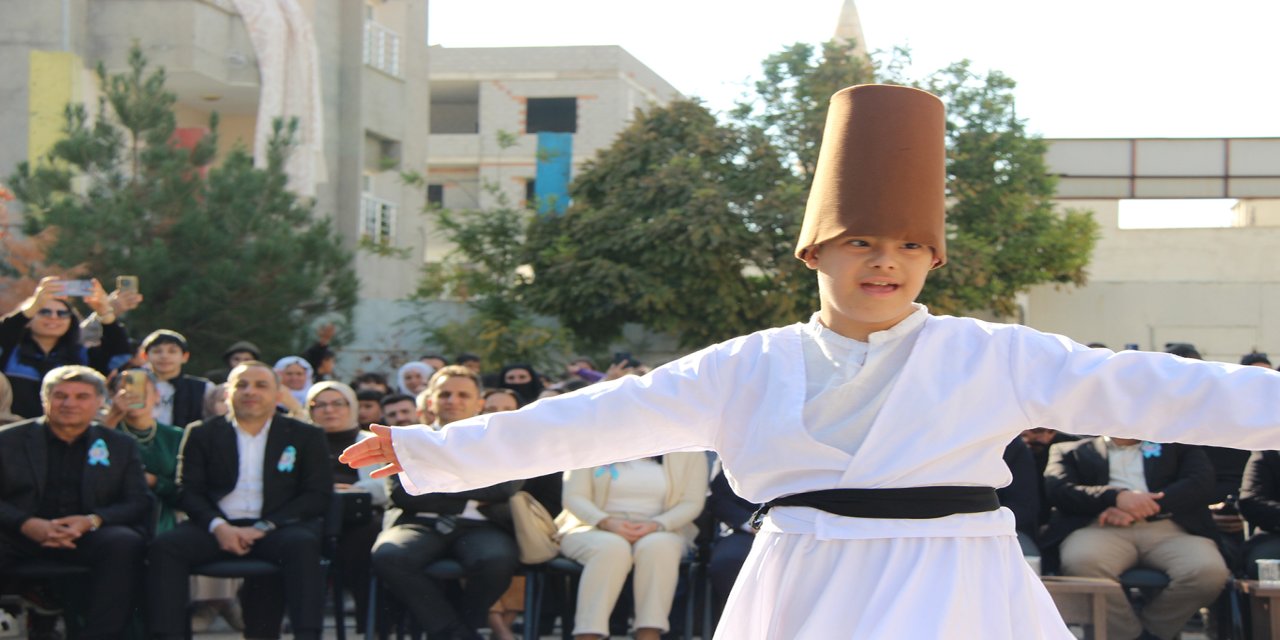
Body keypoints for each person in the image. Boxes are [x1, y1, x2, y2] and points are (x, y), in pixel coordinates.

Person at [342, 84, 1280, 638]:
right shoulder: (744, 365)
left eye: (907, 247)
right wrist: (428, 451)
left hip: (954, 581)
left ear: (931, 259)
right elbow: (595, 418)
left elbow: (1161, 388)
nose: (884, 262)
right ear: (816, 252)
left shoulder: (990, 353)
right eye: (861, 241)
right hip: (803, 579)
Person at [146, 361, 333, 640]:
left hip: (277, 528)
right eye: (241, 385)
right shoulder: (201, 433)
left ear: (278, 394)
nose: (250, 392)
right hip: (216, 527)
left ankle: (307, 634)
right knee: (166, 547)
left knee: (303, 545)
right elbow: (188, 491)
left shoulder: (306, 435)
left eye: (260, 385)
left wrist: (265, 527)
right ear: (227, 393)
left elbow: (317, 494)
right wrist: (219, 526)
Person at [371, 366, 520, 640]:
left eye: (463, 395)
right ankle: (456, 634)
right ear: (430, 401)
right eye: (445, 394)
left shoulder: (499, 442)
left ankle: (459, 628)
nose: (453, 401)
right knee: (389, 556)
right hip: (417, 524)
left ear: (479, 403)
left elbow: (503, 489)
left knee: (497, 560)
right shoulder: (407, 439)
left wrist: (432, 483)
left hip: (481, 527)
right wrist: (471, 484)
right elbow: (402, 494)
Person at [0, 365, 150, 639]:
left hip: (86, 535)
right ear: (45, 400)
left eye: (81, 397)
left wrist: (92, 521)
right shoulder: (7, 441)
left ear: (100, 402)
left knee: (124, 543)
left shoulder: (120, 445)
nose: (69, 404)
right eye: (60, 396)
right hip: (17, 535)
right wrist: (26, 523)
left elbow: (138, 501)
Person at [1044, 437, 1228, 639]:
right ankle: (1128, 635)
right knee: (1082, 563)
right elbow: (1059, 489)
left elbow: (1200, 482)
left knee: (1208, 572)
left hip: (1170, 527)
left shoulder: (1178, 446)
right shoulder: (1069, 450)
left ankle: (1154, 631)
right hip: (1099, 526)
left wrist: (1146, 506)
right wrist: (1115, 498)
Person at [559, 453, 708, 640]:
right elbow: (574, 496)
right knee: (611, 548)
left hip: (662, 529)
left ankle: (649, 633)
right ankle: (587, 634)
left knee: (659, 547)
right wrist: (606, 522)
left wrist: (657, 524)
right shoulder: (591, 441)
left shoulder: (690, 450)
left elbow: (692, 502)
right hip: (592, 527)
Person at [306, 380, 386, 633]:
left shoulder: (372, 441)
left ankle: (371, 625)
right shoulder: (300, 442)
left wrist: (356, 490)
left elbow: (388, 486)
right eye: (320, 405)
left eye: (337, 403)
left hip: (362, 516)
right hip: (311, 517)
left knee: (368, 541)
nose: (329, 410)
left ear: (351, 406)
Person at [1, 277, 132, 418]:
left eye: (62, 313)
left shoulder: (81, 356)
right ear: (29, 318)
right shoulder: (10, 351)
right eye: (44, 311)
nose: (53, 317)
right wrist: (33, 306)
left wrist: (105, 311)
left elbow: (118, 354)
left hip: (69, 430)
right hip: (14, 429)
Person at [100, 367, 185, 533]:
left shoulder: (176, 436)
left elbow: (185, 492)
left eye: (141, 390)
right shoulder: (103, 430)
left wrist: (154, 481)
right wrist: (111, 419)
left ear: (157, 395)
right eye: (126, 391)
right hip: (113, 520)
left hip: (162, 523)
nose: (134, 396)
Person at [140, 329, 213, 428]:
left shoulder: (204, 388)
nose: (164, 356)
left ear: (185, 356)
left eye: (172, 351)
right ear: (145, 356)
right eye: (157, 351)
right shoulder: (135, 386)